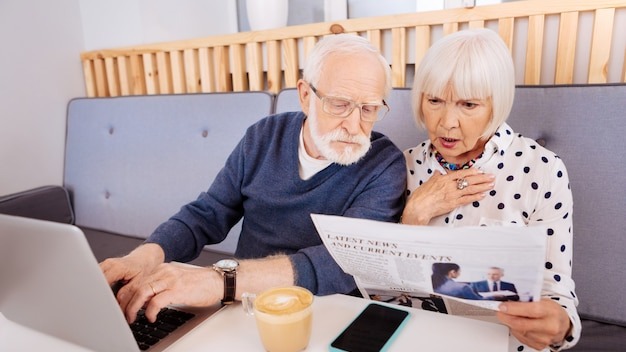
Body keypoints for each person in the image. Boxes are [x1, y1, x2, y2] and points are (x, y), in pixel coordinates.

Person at [100, 34, 406, 324]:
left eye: (369, 109)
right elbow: (207, 213)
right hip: (242, 306)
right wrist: (144, 257)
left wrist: (220, 280)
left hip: (325, 312)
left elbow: (344, 263)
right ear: (304, 96)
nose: (354, 125)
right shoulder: (263, 137)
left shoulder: (384, 164)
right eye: (340, 104)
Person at [401, 29, 580, 351]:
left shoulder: (542, 168)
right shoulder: (404, 166)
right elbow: (379, 287)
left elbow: (556, 292)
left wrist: (560, 327)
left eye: (468, 104)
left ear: (495, 105)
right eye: (434, 100)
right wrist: (414, 213)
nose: (447, 122)